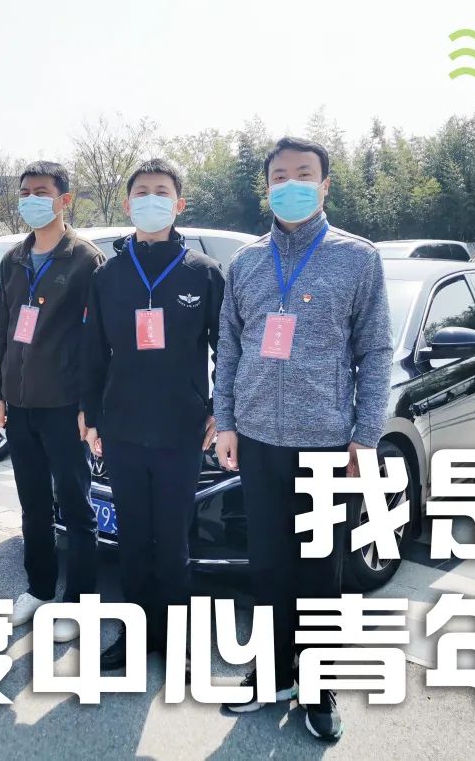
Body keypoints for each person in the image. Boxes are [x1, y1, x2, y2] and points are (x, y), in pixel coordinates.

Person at [214, 137, 392, 741]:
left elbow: (375, 351)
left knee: (319, 572)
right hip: (258, 438)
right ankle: (271, 672)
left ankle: (318, 686)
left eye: (303, 174)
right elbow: (230, 347)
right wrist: (227, 422)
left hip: (325, 444)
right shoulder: (246, 262)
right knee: (267, 567)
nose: (290, 184)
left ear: (325, 184)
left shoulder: (358, 258)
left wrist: (365, 437)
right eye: (279, 176)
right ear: (266, 187)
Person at [81, 159, 224, 669]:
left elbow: (227, 348)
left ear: (178, 204)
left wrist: (220, 410)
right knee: (133, 540)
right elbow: (93, 351)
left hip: (180, 430)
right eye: (141, 192)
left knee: (173, 541)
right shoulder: (108, 275)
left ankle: (176, 635)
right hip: (121, 428)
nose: (151, 199)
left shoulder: (203, 273)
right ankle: (136, 632)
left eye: (161, 191)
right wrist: (89, 414)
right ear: (127, 204)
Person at [0, 160, 105, 640]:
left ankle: (79, 601)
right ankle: (38, 588)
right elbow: (2, 328)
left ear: (64, 199)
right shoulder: (13, 259)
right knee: (33, 504)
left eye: (41, 191)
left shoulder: (85, 260)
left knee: (75, 506)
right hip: (19, 404)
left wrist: (88, 405)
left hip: (64, 406)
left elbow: (96, 340)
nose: (31, 200)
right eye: (25, 192)